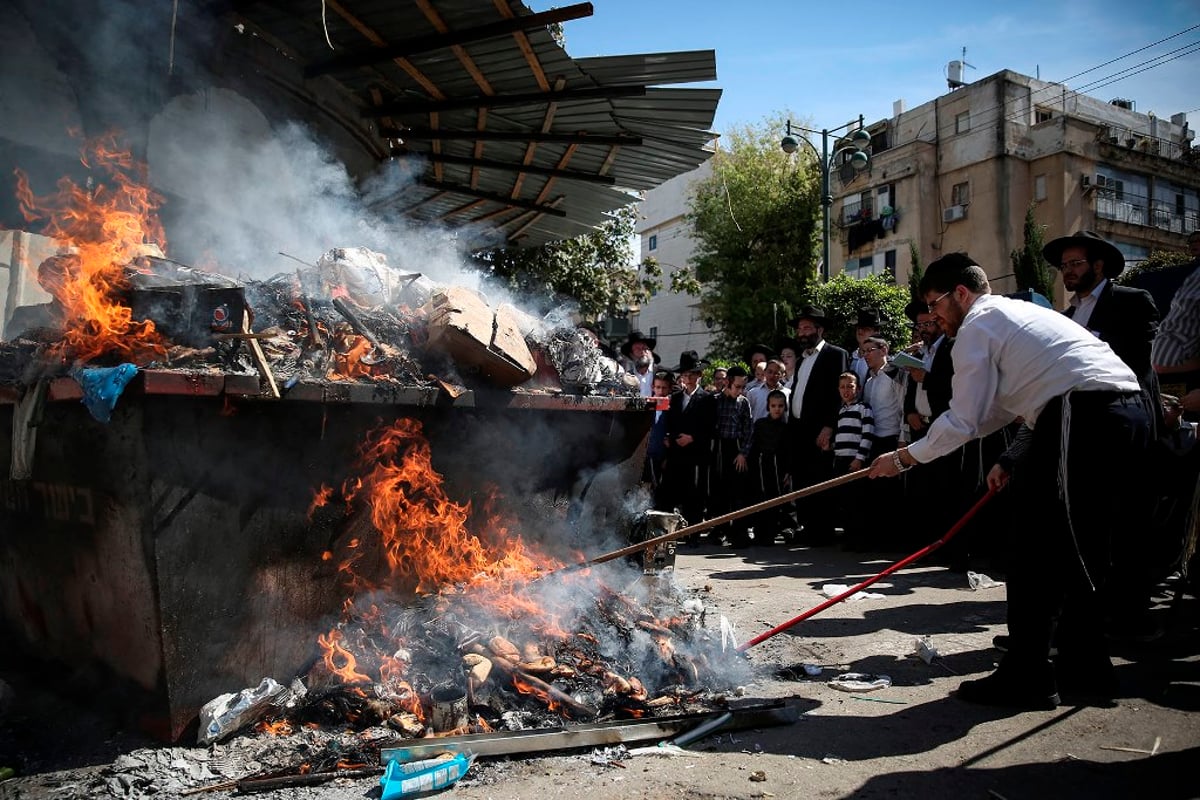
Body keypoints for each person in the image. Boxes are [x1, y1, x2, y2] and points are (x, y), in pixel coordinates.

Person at [869, 252, 1152, 710]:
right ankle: (1085, 669)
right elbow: (997, 410)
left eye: (935, 304)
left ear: (961, 293)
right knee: (1075, 547)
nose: (934, 317)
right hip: (1113, 415)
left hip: (1084, 415)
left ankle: (1030, 676)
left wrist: (904, 458)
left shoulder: (978, 324)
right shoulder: (1016, 315)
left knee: (1036, 550)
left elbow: (963, 419)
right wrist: (1013, 456)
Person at [786, 306, 849, 541]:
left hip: (820, 430)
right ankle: (808, 527)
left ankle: (822, 530)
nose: (802, 333)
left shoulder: (835, 354)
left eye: (807, 328)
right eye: (800, 329)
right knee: (802, 479)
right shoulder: (802, 360)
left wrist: (829, 426)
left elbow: (838, 394)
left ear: (819, 329)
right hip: (800, 430)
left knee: (821, 479)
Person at [661, 350, 717, 534]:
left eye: (692, 374)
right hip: (676, 452)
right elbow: (670, 421)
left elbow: (711, 426)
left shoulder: (708, 399)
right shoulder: (675, 398)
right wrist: (669, 437)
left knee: (694, 494)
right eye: (685, 374)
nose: (688, 378)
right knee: (670, 493)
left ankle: (693, 533)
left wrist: (693, 437)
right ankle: (668, 533)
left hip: (696, 453)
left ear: (699, 375)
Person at [710, 366, 754, 547]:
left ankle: (738, 532)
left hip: (736, 449)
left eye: (743, 386)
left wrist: (743, 453)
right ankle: (719, 530)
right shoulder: (714, 401)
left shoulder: (743, 402)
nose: (740, 390)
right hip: (719, 448)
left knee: (738, 493)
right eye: (737, 386)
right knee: (719, 491)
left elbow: (749, 430)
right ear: (727, 382)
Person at [832, 372, 874, 546]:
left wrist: (859, 458)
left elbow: (868, 433)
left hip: (855, 459)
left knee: (857, 500)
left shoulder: (863, 408)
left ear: (858, 388)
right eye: (842, 387)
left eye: (850, 386)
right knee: (845, 500)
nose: (846, 390)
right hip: (841, 459)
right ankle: (849, 537)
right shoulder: (841, 411)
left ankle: (860, 539)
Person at [747, 389, 793, 546]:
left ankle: (773, 532)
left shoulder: (786, 428)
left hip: (778, 468)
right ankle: (760, 532)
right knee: (760, 499)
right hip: (761, 467)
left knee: (777, 499)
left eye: (780, 406)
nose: (777, 409)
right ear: (768, 406)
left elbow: (788, 451)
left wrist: (788, 470)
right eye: (773, 405)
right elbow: (754, 447)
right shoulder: (760, 424)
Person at [4, 254, 76, 340]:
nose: (61, 281)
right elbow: (11, 343)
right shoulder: (25, 314)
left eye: (63, 275)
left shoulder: (89, 317)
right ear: (42, 282)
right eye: (54, 276)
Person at [641, 370, 674, 503]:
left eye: (664, 388)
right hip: (647, 456)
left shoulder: (673, 409)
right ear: (652, 388)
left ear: (670, 389)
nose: (660, 391)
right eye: (658, 387)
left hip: (663, 457)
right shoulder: (646, 407)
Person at [847, 308, 883, 388]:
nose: (860, 331)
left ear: (876, 332)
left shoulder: (882, 360)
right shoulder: (850, 358)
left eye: (866, 329)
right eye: (858, 327)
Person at [621, 331, 658, 397]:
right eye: (638, 349)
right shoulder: (627, 377)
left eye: (645, 348)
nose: (642, 352)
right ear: (631, 355)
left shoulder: (661, 373)